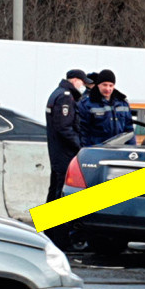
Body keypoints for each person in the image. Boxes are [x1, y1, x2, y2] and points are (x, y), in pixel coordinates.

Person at [45, 69, 90, 203]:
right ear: (75, 80)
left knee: (54, 186)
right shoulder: (65, 96)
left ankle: (48, 221)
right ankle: (57, 222)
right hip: (64, 150)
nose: (83, 87)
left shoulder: (58, 93)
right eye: (82, 83)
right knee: (61, 187)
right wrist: (79, 146)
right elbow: (64, 127)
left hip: (57, 149)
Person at [77, 69, 135, 147]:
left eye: (110, 85)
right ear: (98, 85)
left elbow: (129, 131)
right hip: (97, 151)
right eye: (104, 85)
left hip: (119, 150)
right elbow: (83, 132)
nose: (108, 89)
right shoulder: (87, 104)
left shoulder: (123, 104)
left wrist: (131, 149)